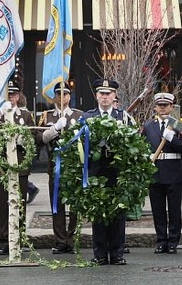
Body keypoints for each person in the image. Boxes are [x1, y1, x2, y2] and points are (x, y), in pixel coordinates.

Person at [0, 80, 36, 256]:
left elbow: (33, 138)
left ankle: (20, 238)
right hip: (0, 168)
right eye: (8, 94)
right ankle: (5, 240)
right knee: (3, 205)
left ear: (18, 96)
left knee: (20, 205)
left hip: (19, 166)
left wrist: (19, 138)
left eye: (13, 94)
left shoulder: (25, 116)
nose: (11, 98)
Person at [81, 78, 131, 266]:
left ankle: (117, 253)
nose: (104, 97)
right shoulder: (87, 117)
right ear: (96, 95)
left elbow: (132, 141)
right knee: (98, 213)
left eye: (108, 93)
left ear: (114, 96)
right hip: (96, 170)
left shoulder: (123, 117)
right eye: (101, 93)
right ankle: (100, 254)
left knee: (118, 213)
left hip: (117, 170)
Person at [143, 92, 182, 255]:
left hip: (173, 171)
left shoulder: (178, 125)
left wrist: (172, 138)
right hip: (155, 171)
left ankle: (173, 242)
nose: (162, 108)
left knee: (174, 210)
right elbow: (142, 145)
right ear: (155, 107)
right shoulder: (148, 125)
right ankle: (161, 241)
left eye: (166, 105)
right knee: (158, 210)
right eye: (160, 105)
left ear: (171, 107)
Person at [39, 82, 82, 254]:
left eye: (65, 94)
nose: (62, 97)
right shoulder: (47, 116)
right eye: (59, 94)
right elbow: (40, 139)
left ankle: (72, 240)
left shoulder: (78, 115)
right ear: (55, 96)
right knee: (57, 205)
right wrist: (55, 129)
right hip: (55, 165)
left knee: (75, 206)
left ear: (69, 96)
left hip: (74, 166)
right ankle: (60, 241)